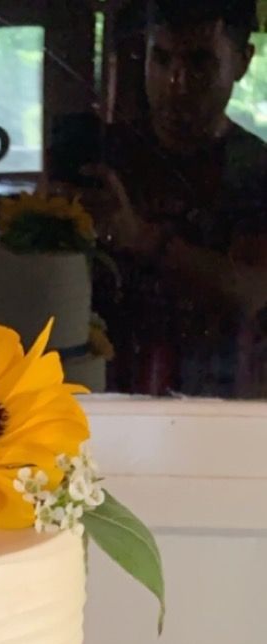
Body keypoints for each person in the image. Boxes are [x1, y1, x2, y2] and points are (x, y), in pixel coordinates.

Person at [72, 1, 267, 394]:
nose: (176, 83)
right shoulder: (104, 152)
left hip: (216, 397)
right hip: (103, 386)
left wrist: (141, 238)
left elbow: (254, 292)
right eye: (160, 59)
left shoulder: (256, 169)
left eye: (200, 63)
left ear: (243, 62)